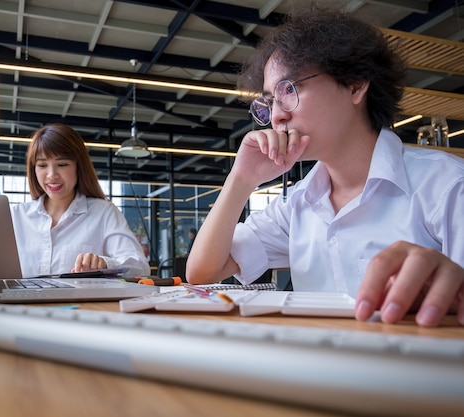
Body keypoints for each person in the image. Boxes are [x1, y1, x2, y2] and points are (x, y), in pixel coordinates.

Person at [186, 7, 464, 328]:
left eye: (288, 90)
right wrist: (242, 179)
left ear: (355, 85)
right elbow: (203, 272)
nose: (277, 116)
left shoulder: (446, 187)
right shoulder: (299, 204)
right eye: (270, 101)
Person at [10, 123, 150, 277]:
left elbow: (140, 266)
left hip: (81, 301)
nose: (51, 175)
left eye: (62, 164)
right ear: (33, 169)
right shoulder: (15, 216)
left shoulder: (103, 212)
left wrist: (105, 264)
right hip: (21, 301)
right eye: (42, 165)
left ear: (79, 166)